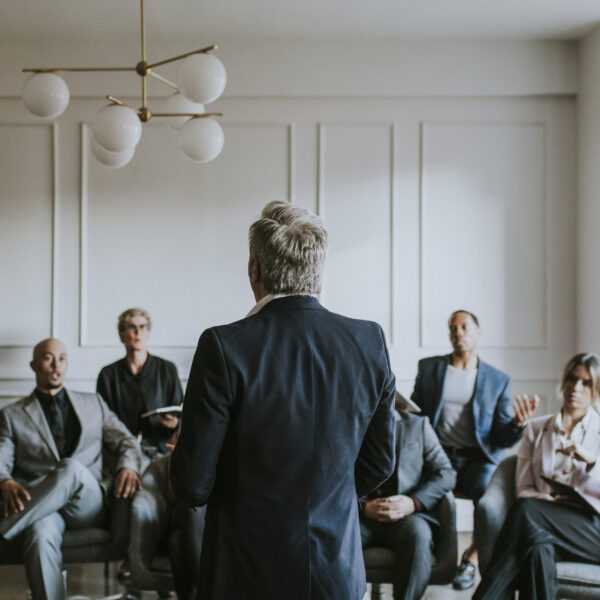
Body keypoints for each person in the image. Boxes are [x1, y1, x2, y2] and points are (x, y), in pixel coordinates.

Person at [170, 200, 396, 600]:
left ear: (254, 268)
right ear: (318, 272)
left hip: (245, 573)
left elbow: (193, 485)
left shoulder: (224, 345)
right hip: (335, 571)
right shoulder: (369, 341)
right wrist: (324, 493)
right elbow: (379, 462)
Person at [0, 338, 142, 600]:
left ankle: (5, 527)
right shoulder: (12, 415)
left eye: (62, 358)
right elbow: (1, 459)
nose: (56, 365)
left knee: (71, 468)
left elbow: (127, 441)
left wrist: (129, 468)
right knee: (39, 534)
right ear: (33, 365)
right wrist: (4, 480)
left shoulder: (93, 403)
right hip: (42, 508)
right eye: (48, 358)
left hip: (86, 505)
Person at [410, 310, 538, 589]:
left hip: (477, 459)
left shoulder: (496, 379)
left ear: (479, 332)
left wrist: (517, 424)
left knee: (487, 498)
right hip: (438, 457)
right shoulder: (430, 368)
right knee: (420, 491)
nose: (458, 333)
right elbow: (415, 416)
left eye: (465, 327)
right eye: (452, 328)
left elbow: (501, 439)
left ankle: (472, 559)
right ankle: (432, 557)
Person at [473, 352, 600, 599]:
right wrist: (552, 505)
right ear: (563, 382)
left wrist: (592, 461)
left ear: (595, 391)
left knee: (526, 511)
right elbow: (523, 487)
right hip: (545, 522)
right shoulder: (536, 428)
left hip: (592, 531)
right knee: (537, 549)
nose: (576, 388)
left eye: (586, 383)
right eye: (572, 379)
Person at [360, 399, 456, 600]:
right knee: (334, 539)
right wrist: (362, 507)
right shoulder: (349, 425)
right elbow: (331, 477)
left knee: (419, 535)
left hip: (407, 515)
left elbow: (446, 473)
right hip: (360, 515)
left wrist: (413, 502)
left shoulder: (418, 426)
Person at [97, 308, 183, 464]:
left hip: (163, 447)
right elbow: (104, 420)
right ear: (122, 335)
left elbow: (182, 412)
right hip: (124, 449)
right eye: (132, 327)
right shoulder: (108, 375)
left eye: (143, 327)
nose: (138, 332)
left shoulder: (167, 369)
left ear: (148, 333)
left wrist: (176, 423)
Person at [133, 429, 206, 600]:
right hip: (180, 515)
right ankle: (208, 590)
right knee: (190, 509)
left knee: (176, 541)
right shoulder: (172, 455)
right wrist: (176, 457)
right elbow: (173, 496)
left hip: (206, 523)